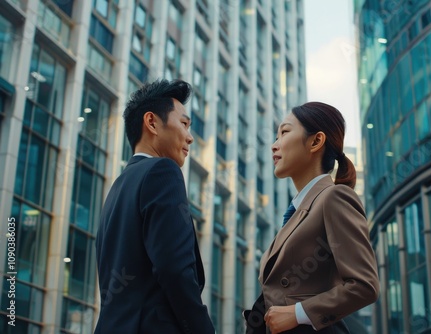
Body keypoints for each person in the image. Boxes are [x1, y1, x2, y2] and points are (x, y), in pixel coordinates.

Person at [245, 102, 380, 334]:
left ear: (316, 141)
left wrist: (298, 313)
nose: (274, 145)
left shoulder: (334, 197)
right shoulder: (298, 211)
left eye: (284, 133)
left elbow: (365, 285)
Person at [95, 79, 215, 333]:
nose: (190, 138)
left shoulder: (116, 189)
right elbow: (175, 268)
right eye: (184, 123)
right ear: (151, 123)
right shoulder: (163, 171)